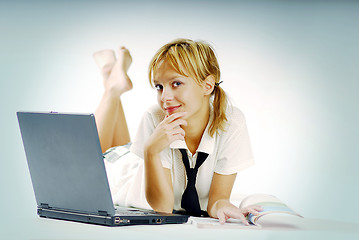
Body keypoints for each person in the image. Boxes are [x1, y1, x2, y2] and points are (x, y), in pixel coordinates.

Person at [93, 39, 262, 225]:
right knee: (92, 161)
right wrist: (150, 150)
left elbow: (217, 200)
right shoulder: (155, 117)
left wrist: (224, 206)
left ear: (207, 85)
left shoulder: (231, 123)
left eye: (176, 83)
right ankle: (112, 88)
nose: (165, 97)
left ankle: (113, 78)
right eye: (159, 86)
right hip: (124, 174)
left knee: (118, 145)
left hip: (136, 159)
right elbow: (163, 208)